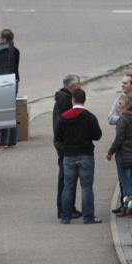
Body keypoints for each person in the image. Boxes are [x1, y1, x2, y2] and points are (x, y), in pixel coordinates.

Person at [55, 89, 103, 224]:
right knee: (86, 187)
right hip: (86, 155)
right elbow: (97, 136)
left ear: (73, 100)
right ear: (84, 100)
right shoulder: (89, 117)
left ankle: (65, 216)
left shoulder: (64, 117)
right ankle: (88, 216)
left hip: (69, 155)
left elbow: (58, 137)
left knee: (68, 186)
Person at [107, 73, 132, 213]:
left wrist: (122, 118)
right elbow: (110, 118)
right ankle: (127, 205)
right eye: (122, 82)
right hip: (128, 146)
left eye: (125, 83)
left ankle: (131, 205)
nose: (122, 85)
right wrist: (124, 118)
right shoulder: (119, 99)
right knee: (127, 179)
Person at [53, 74, 82, 219]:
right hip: (66, 145)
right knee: (67, 177)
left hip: (62, 143)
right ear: (72, 87)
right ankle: (65, 208)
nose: (81, 87)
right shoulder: (65, 100)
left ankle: (68, 207)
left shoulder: (63, 98)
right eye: (79, 85)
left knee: (67, 176)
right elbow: (65, 123)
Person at [0, 28, 20, 149]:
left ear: (4, 39)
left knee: (3, 111)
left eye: (0, 38)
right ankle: (12, 139)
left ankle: (4, 140)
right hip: (14, 81)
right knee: (11, 110)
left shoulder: (4, 52)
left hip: (5, 82)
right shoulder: (16, 50)